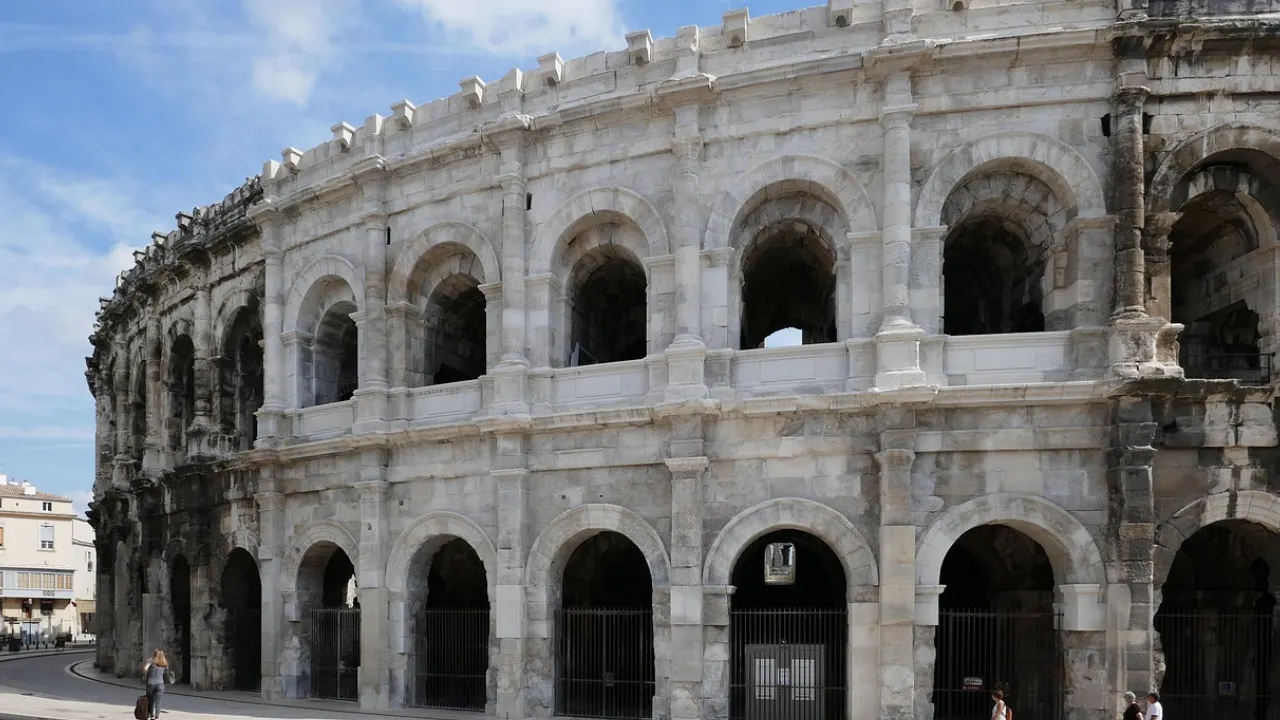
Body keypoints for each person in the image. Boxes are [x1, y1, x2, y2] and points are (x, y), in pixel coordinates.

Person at [141, 649, 169, 720]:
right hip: (160, 684)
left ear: (154, 654)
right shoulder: (164, 662)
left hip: (151, 683)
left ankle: (152, 715)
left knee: (151, 700)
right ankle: (157, 717)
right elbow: (166, 672)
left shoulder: (151, 661)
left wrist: (146, 674)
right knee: (158, 701)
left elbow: (145, 669)